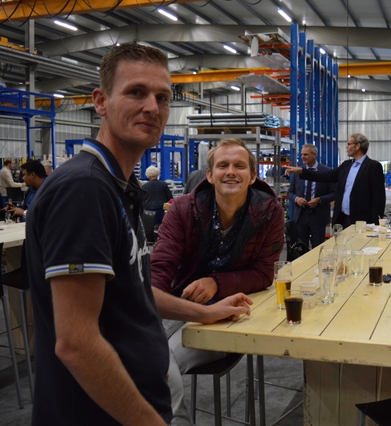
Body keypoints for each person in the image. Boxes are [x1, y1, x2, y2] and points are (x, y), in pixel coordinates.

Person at [26, 43, 251, 426]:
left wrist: (205, 312)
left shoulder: (120, 186)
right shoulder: (84, 189)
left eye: (162, 98)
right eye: (136, 92)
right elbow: (77, 343)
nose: (152, 107)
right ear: (100, 102)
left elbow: (133, 288)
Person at [151, 138, 285, 425]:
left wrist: (216, 282)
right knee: (142, 354)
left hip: (227, 312)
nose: (231, 172)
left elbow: (264, 273)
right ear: (210, 175)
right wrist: (151, 307)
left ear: (253, 175)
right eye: (223, 166)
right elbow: (159, 271)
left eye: (239, 166)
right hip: (179, 303)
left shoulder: (269, 211)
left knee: (157, 364)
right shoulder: (183, 209)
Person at [285, 133, 386, 227]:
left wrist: (375, 224)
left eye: (349, 144)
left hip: (362, 221)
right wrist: (302, 171)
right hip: (343, 219)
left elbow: (379, 198)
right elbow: (326, 176)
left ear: (357, 146)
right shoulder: (346, 165)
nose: (346, 147)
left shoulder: (373, 166)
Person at [287, 144, 337, 248]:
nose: (303, 157)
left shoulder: (327, 172)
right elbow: (290, 192)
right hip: (301, 215)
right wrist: (297, 199)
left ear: (314, 155)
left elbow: (335, 193)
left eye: (306, 154)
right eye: (302, 154)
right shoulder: (297, 172)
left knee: (318, 248)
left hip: (318, 216)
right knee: (300, 248)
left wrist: (320, 199)